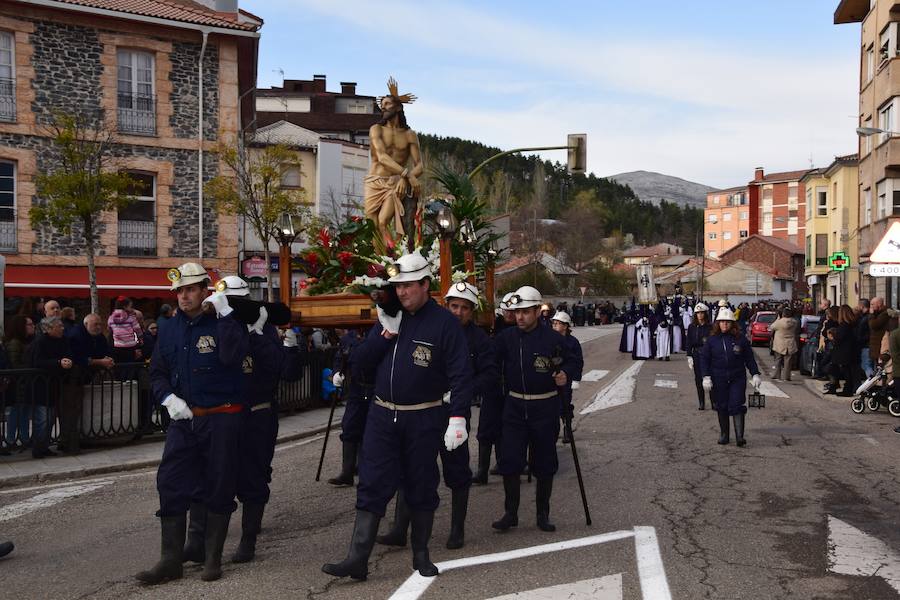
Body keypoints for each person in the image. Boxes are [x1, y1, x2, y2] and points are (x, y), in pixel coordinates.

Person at [322, 251, 473, 580]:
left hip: (424, 417)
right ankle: (357, 557)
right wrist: (385, 334)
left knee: (420, 485)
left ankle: (421, 555)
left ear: (425, 284)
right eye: (398, 286)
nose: (402, 292)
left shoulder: (444, 323)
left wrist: (458, 418)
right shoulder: (390, 318)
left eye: (408, 286)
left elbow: (462, 374)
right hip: (382, 415)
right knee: (372, 483)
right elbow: (360, 364)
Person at [135, 263, 250, 585]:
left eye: (189, 290)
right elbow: (156, 371)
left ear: (204, 290)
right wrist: (168, 398)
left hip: (222, 418)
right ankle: (170, 560)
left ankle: (212, 558)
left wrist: (226, 315)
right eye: (179, 291)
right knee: (170, 481)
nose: (183, 296)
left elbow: (232, 357)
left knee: (218, 484)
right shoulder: (169, 328)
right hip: (184, 420)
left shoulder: (225, 323)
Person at [180, 275, 304, 566]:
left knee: (254, 475)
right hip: (223, 414)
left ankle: (248, 538)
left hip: (257, 413)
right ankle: (197, 541)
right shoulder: (221, 325)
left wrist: (260, 335)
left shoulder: (264, 331)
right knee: (210, 475)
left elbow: (282, 370)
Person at [378, 282, 493, 551]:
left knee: (457, 470)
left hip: (455, 411)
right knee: (412, 467)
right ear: (447, 304)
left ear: (472, 311)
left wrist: (464, 392)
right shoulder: (433, 327)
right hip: (424, 410)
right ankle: (399, 529)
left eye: (464, 308)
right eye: (454, 306)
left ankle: (457, 530)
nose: (458, 312)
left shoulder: (479, 340)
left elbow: (489, 374)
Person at [491, 286, 575, 534]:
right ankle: (511, 513)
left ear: (538, 311)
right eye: (517, 312)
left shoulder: (554, 340)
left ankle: (542, 513)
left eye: (526, 312)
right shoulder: (506, 338)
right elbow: (491, 362)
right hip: (515, 406)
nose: (520, 317)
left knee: (545, 461)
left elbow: (573, 360)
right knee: (510, 461)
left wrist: (565, 373)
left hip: (545, 405)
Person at [363, 78, 424, 254]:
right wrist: (408, 175)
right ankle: (380, 263)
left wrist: (406, 178)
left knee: (383, 221)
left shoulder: (409, 134)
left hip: (395, 183)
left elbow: (420, 165)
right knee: (372, 224)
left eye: (388, 104)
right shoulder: (376, 129)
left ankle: (392, 257)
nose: (383, 107)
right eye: (382, 104)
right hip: (374, 181)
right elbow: (382, 157)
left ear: (398, 107)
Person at [700, 307, 761, 447]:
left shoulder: (741, 340)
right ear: (718, 323)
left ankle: (740, 436)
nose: (724, 325)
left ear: (732, 323)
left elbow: (749, 358)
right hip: (718, 377)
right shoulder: (712, 340)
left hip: (737, 377)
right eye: (722, 322)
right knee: (721, 406)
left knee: (737, 404)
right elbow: (704, 359)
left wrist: (755, 373)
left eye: (727, 322)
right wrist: (706, 376)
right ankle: (724, 435)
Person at [28, 316, 76, 458]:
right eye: (59, 326)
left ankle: (45, 446)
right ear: (48, 329)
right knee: (42, 419)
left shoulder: (63, 341)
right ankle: (38, 448)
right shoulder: (40, 342)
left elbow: (69, 355)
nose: (62, 328)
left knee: (50, 419)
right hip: (41, 386)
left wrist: (67, 361)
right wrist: (58, 362)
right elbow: (37, 362)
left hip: (55, 384)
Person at [550, 311, 583, 444]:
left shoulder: (573, 342)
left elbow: (578, 361)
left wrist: (576, 378)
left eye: (558, 323)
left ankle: (567, 428)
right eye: (554, 323)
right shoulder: (550, 339)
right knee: (551, 405)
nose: (555, 325)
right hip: (551, 378)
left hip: (566, 378)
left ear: (565, 326)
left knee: (565, 404)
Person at [3, 315, 34, 450]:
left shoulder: (25, 341)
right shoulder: (15, 343)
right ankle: (11, 439)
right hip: (17, 383)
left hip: (23, 382)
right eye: (29, 324)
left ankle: (22, 438)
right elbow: (14, 363)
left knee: (23, 412)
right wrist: (30, 368)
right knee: (16, 412)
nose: (32, 326)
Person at [685, 302, 712, 410]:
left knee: (710, 377)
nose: (700, 315)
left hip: (708, 354)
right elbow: (688, 342)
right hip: (696, 354)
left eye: (702, 313)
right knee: (698, 379)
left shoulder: (710, 327)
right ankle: (701, 402)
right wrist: (689, 356)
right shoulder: (692, 327)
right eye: (698, 313)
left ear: (705, 314)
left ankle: (713, 401)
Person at [108, 297, 143, 364]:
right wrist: (140, 338)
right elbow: (137, 329)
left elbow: (109, 328)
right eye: (130, 306)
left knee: (119, 366)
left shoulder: (111, 318)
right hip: (130, 346)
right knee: (129, 366)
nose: (132, 309)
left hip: (117, 345)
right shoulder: (131, 317)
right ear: (125, 307)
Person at [769, 308, 798, 381]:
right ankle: (787, 376)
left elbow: (771, 327)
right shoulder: (794, 322)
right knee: (788, 361)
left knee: (778, 359)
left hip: (779, 343)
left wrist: (778, 319)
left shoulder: (779, 322)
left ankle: (776, 374)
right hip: (790, 343)